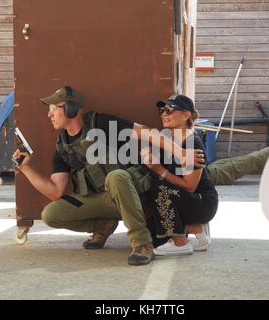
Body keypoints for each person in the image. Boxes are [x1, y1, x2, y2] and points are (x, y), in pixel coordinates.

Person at [13, 86, 205, 265]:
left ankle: (142, 243)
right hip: (103, 200)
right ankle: (103, 224)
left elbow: (147, 132)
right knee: (51, 214)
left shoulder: (101, 123)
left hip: (132, 194)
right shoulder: (62, 146)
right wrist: (26, 169)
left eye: (55, 108)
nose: (49, 114)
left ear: (71, 109)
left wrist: (180, 152)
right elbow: (55, 191)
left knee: (116, 176)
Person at [140, 95, 219, 256]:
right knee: (156, 239)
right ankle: (194, 230)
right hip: (182, 198)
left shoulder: (192, 142)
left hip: (201, 201)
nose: (163, 114)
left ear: (186, 115)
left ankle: (180, 242)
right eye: (162, 110)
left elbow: (190, 186)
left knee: (159, 188)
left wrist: (159, 170)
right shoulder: (168, 139)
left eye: (170, 110)